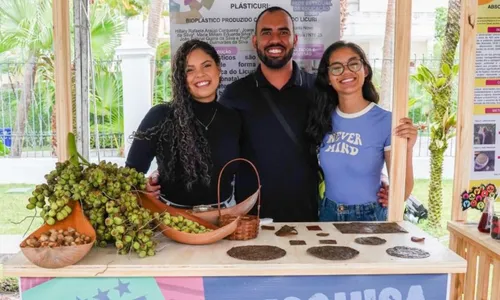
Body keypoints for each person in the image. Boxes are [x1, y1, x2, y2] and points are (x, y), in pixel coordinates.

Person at [219, 7, 320, 222]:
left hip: (308, 216)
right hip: (251, 218)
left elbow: (344, 138)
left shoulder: (318, 90)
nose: (275, 39)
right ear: (255, 41)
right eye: (267, 32)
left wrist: (381, 177)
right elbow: (214, 148)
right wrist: (162, 176)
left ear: (295, 39)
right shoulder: (235, 94)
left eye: (284, 32)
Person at [306, 41, 417, 221]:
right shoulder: (322, 119)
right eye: (336, 68)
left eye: (354, 64)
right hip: (328, 214)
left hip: (370, 217)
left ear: (365, 70)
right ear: (328, 77)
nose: (346, 72)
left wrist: (408, 149)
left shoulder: (386, 121)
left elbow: (402, 191)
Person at [126, 39, 241, 210]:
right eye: (189, 70)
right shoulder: (161, 116)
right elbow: (130, 173)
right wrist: (142, 187)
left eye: (206, 66)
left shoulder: (233, 118)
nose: (200, 74)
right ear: (182, 78)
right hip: (172, 218)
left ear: (219, 69)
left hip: (226, 215)